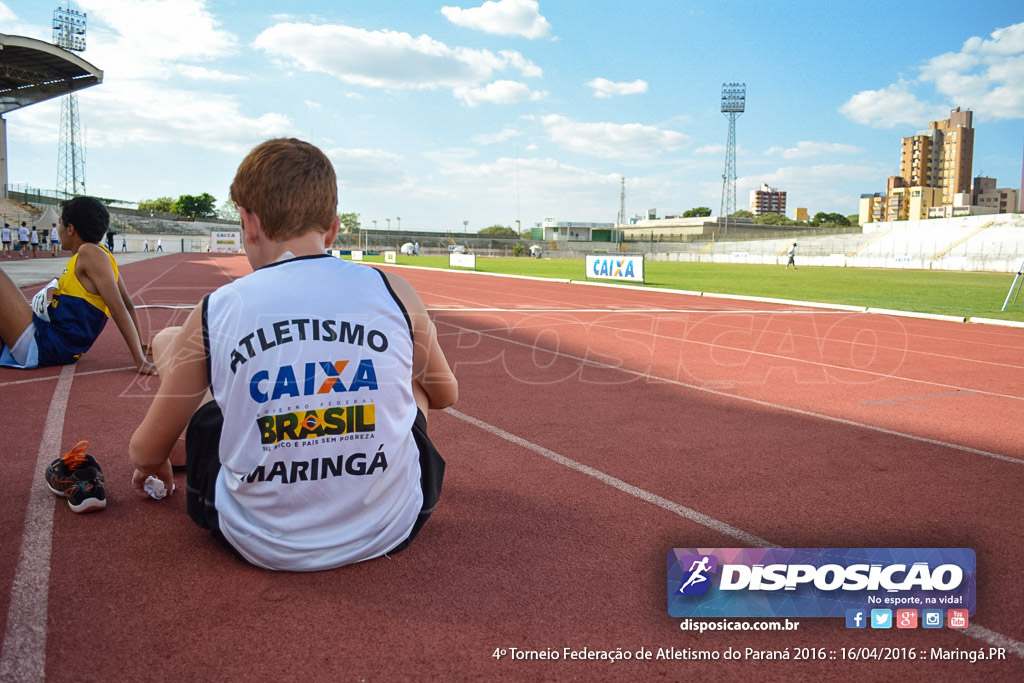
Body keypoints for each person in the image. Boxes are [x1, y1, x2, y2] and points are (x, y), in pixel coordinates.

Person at [128, 138, 458, 572]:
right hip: (391, 524)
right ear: (334, 229)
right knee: (416, 377)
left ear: (248, 223)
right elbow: (445, 393)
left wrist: (153, 464)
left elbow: (145, 450)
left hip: (258, 537)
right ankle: (366, 482)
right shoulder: (394, 291)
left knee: (179, 346)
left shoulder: (219, 307)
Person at [0, 197, 156, 374]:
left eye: (60, 224)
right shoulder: (102, 255)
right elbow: (128, 304)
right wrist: (140, 343)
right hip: (52, 339)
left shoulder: (89, 253)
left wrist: (140, 360)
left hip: (46, 344)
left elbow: (118, 307)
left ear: (70, 229)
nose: (58, 230)